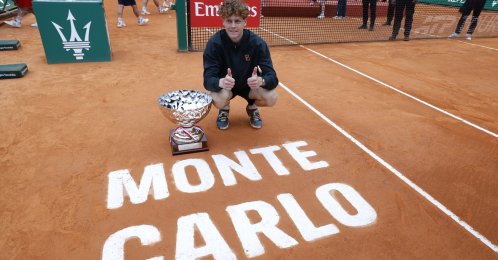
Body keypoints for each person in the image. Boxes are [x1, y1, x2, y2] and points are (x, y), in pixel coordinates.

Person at [203, 0, 278, 130]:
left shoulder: (257, 43)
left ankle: (252, 107)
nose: (233, 26)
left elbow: (273, 78)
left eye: (237, 21)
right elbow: (208, 80)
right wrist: (221, 82)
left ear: (245, 22)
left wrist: (261, 80)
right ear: (223, 22)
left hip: (250, 87)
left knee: (272, 97)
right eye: (229, 21)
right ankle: (224, 109)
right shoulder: (214, 44)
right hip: (226, 87)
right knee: (215, 98)